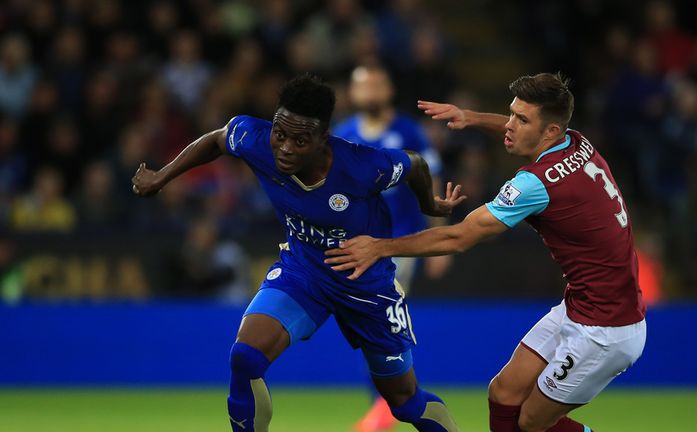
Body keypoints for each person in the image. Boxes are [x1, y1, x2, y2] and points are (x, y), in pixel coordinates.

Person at [131, 74, 464, 432]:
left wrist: (430, 205)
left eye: (300, 140)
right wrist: (162, 177)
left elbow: (416, 164)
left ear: (323, 139)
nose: (285, 148)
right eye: (280, 134)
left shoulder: (362, 166)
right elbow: (216, 140)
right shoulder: (255, 139)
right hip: (304, 272)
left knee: (405, 401)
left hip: (366, 285)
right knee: (245, 356)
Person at [325, 73, 647, 432]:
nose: (509, 125)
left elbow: (458, 238)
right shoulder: (576, 141)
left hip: (606, 329)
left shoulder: (534, 184)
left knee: (532, 422)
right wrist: (471, 117)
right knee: (503, 393)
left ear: (551, 131)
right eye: (511, 114)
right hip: (581, 307)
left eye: (521, 120)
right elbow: (527, 128)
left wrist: (379, 247)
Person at [334, 64, 453, 432]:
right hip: (355, 245)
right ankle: (389, 401)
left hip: (399, 243)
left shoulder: (408, 131)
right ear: (353, 93)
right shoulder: (342, 134)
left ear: (389, 90)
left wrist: (439, 239)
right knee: (370, 324)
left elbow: (430, 182)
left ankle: (388, 404)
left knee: (378, 321)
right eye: (363, 85)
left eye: (376, 84)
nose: (370, 91)